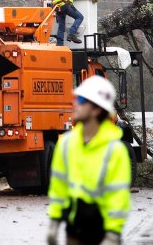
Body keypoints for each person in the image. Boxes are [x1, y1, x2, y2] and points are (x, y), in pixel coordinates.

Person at [46, 75, 131, 245]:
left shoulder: (115, 150)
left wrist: (113, 233)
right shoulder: (66, 144)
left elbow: (118, 196)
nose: (75, 103)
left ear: (97, 109)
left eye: (82, 100)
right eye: (76, 98)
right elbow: (58, 188)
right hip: (74, 232)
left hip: (104, 234)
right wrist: (54, 223)